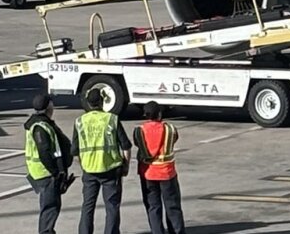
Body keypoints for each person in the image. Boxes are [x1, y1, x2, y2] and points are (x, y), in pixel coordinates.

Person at [72, 89, 131, 234]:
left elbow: (75, 151)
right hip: (110, 170)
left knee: (87, 206)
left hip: (89, 170)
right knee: (111, 206)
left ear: (88, 103)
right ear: (102, 101)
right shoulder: (111, 119)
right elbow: (126, 146)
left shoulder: (79, 122)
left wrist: (84, 165)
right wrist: (126, 166)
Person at [133, 102, 186, 234]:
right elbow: (175, 138)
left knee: (153, 207)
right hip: (167, 173)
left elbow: (137, 143)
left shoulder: (139, 130)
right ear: (160, 114)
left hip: (147, 174)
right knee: (172, 206)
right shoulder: (170, 129)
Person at [25, 94, 73, 234]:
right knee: (49, 208)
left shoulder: (42, 123)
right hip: (45, 174)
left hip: (44, 173)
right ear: (48, 107)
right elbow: (44, 151)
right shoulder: (40, 127)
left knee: (51, 207)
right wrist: (56, 172)